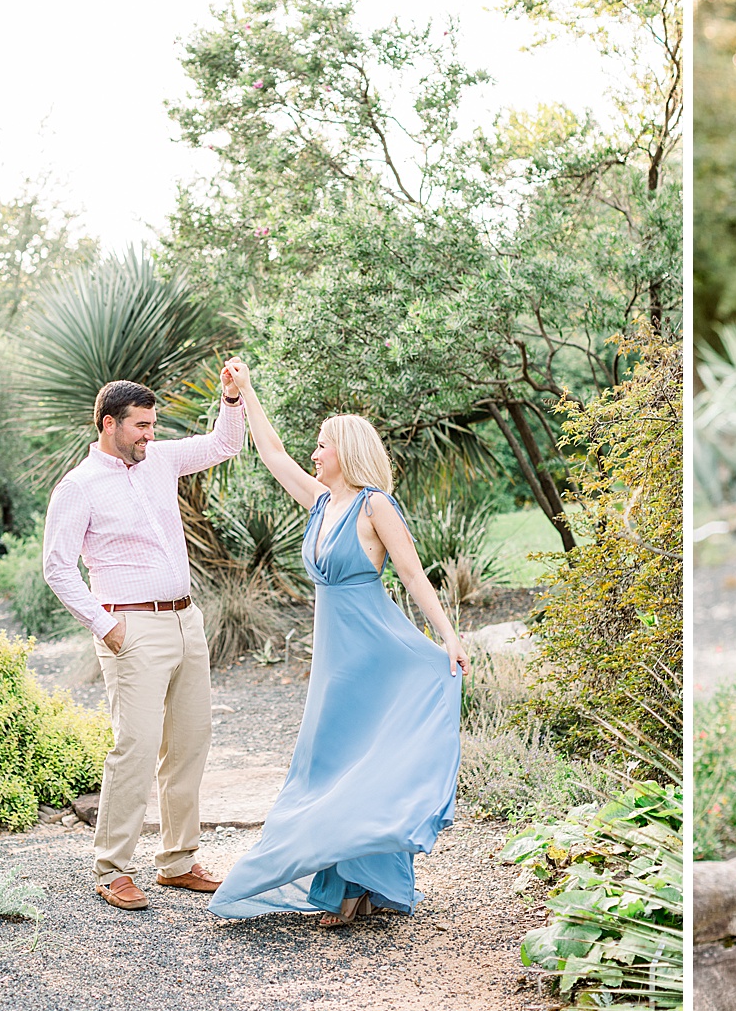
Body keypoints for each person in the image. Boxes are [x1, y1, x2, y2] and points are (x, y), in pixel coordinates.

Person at [208, 360, 467, 928]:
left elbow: (414, 576)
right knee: (327, 763)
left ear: (345, 453)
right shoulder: (322, 503)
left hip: (375, 651)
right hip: (334, 659)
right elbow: (272, 452)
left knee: (365, 760)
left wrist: (448, 636)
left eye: (322, 446)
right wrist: (247, 391)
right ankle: (349, 878)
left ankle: (354, 885)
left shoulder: (375, 505)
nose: (314, 454)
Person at [43, 370, 248, 911]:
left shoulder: (160, 459)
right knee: (133, 747)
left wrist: (231, 396)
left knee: (189, 742)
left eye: (153, 426)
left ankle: (178, 861)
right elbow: (57, 568)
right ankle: (112, 868)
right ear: (109, 424)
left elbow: (226, 442)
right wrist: (106, 625)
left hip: (186, 622)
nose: (148, 436)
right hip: (130, 629)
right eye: (139, 426)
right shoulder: (79, 486)